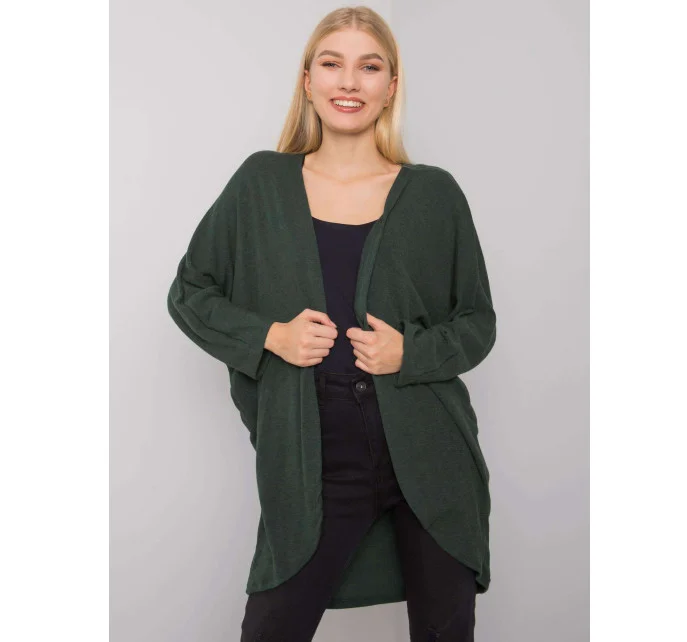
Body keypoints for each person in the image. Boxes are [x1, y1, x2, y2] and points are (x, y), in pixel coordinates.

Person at [166, 6, 497, 642]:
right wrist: (272, 337)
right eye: (332, 63)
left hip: (431, 456)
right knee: (273, 626)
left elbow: (477, 323)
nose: (349, 81)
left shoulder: (434, 194)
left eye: (369, 67)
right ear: (308, 80)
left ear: (391, 86)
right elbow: (190, 293)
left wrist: (411, 353)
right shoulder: (262, 183)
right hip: (314, 458)